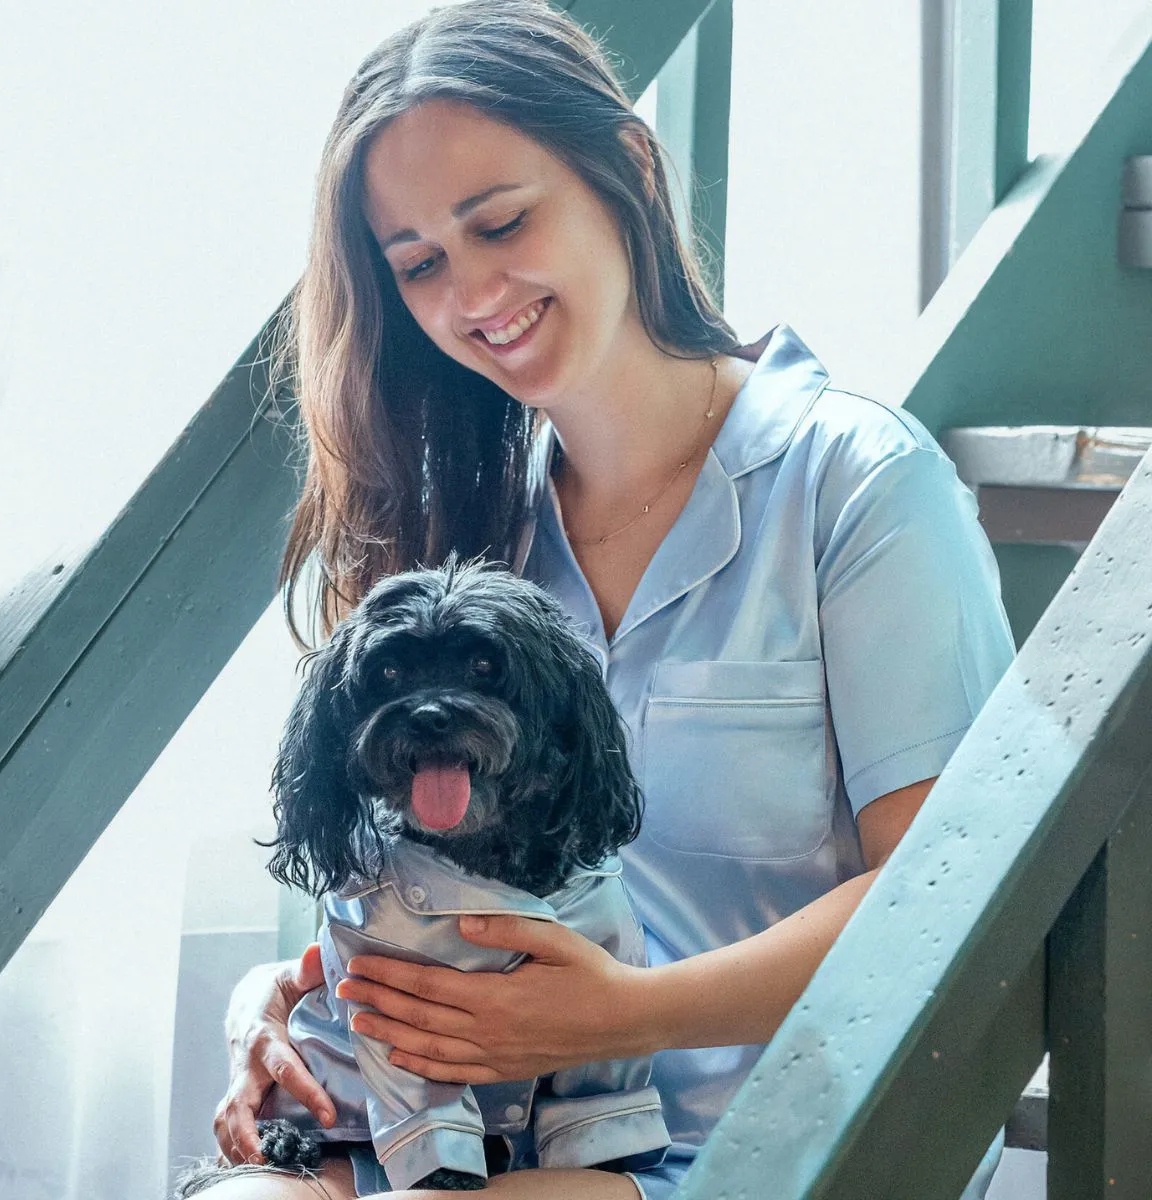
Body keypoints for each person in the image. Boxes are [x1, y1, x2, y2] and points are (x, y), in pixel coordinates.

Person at [201, 1, 1015, 1196]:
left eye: (502, 222)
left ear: (625, 167)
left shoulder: (858, 487)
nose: (472, 290)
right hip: (466, 1127)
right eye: (420, 262)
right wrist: (268, 1007)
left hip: (774, 1135)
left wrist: (613, 1017)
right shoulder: (467, 539)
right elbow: (388, 867)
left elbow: (942, 891)